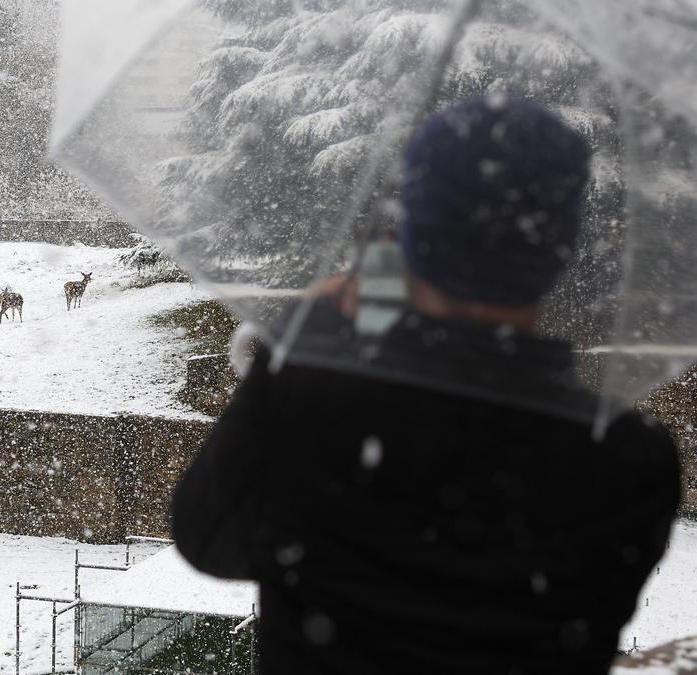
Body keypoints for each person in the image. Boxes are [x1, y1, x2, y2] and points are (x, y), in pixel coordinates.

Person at [171, 97, 681, 674]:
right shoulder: (631, 458)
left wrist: (304, 342)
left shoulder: (320, 403)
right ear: (563, 250)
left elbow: (207, 540)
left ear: (411, 238)